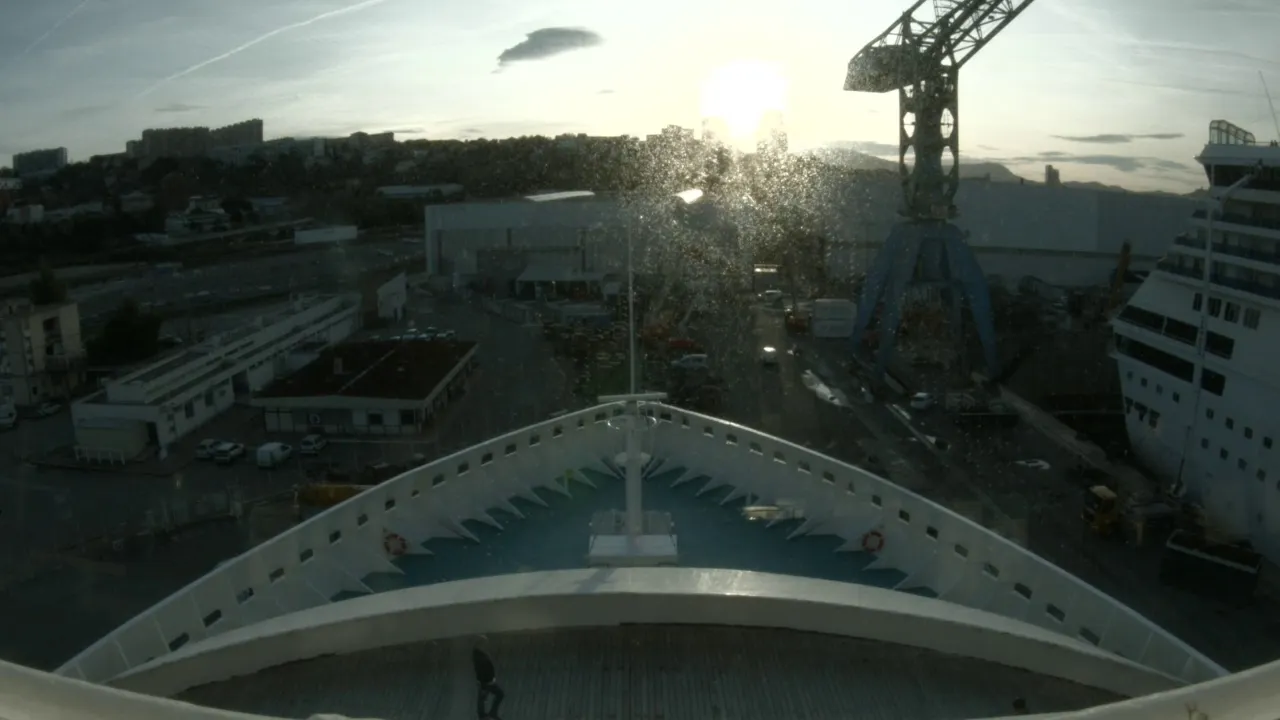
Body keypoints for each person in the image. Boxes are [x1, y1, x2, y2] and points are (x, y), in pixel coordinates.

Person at [473, 643, 504, 720]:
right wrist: (484, 685)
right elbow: (483, 673)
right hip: (487, 683)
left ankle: (486, 714)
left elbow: (480, 673)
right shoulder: (483, 660)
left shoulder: (480, 659)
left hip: (487, 682)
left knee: (483, 699)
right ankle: (487, 714)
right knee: (497, 695)